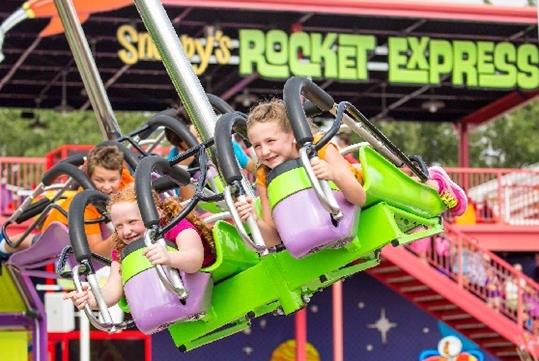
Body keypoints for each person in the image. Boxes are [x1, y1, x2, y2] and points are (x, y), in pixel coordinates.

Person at [234, 99, 367, 247]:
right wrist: (254, 219)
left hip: (355, 192)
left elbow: (359, 198)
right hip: (316, 224)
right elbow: (275, 240)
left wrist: (333, 174)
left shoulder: (319, 147)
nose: (264, 151)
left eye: (270, 141)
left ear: (293, 135)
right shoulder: (264, 174)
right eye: (257, 146)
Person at [63, 185, 215, 310]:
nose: (126, 231)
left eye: (132, 222)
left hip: (208, 283)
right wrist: (91, 299)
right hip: (173, 298)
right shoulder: (122, 249)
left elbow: (194, 259)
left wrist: (169, 257)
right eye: (119, 226)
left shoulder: (176, 226)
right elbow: (112, 292)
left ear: (156, 213)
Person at [0, 145, 133, 260]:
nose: (107, 186)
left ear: (120, 175)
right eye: (99, 180)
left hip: (81, 212)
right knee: (39, 242)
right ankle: (4, 246)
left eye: (112, 180)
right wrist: (119, 235)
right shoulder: (87, 205)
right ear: (89, 177)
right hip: (59, 222)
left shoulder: (125, 179)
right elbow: (96, 251)